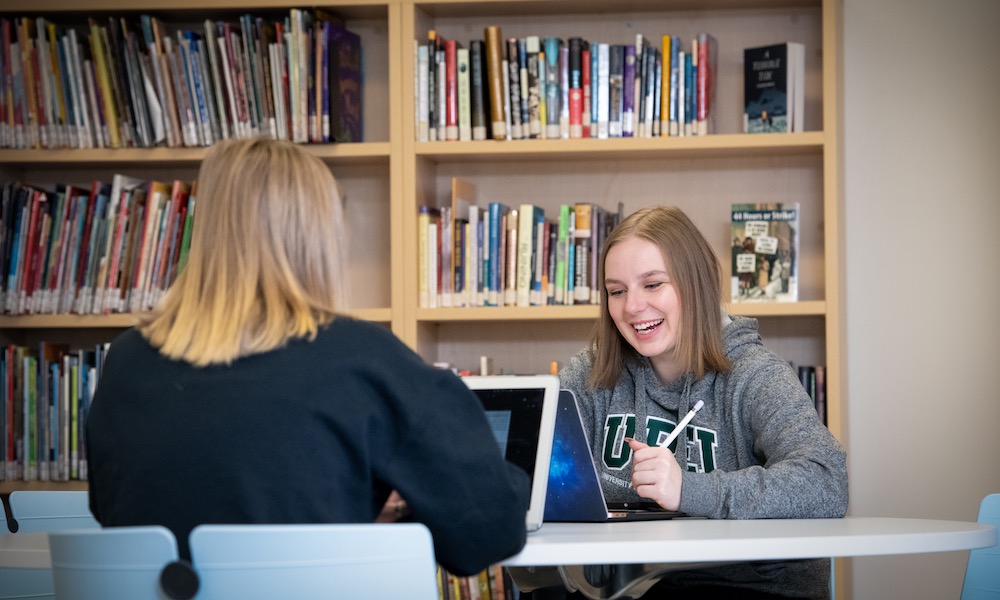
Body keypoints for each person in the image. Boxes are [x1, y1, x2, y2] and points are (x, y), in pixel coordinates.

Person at [85, 137, 530, 577]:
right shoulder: (362, 360)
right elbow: (491, 528)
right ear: (321, 237)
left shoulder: (126, 363)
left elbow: (113, 509)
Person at [558, 206, 848, 599]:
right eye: (617, 291)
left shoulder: (753, 373)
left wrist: (689, 490)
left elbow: (826, 480)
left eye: (653, 284)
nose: (632, 307)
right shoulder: (592, 371)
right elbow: (536, 470)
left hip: (750, 588)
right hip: (628, 587)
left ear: (695, 285)